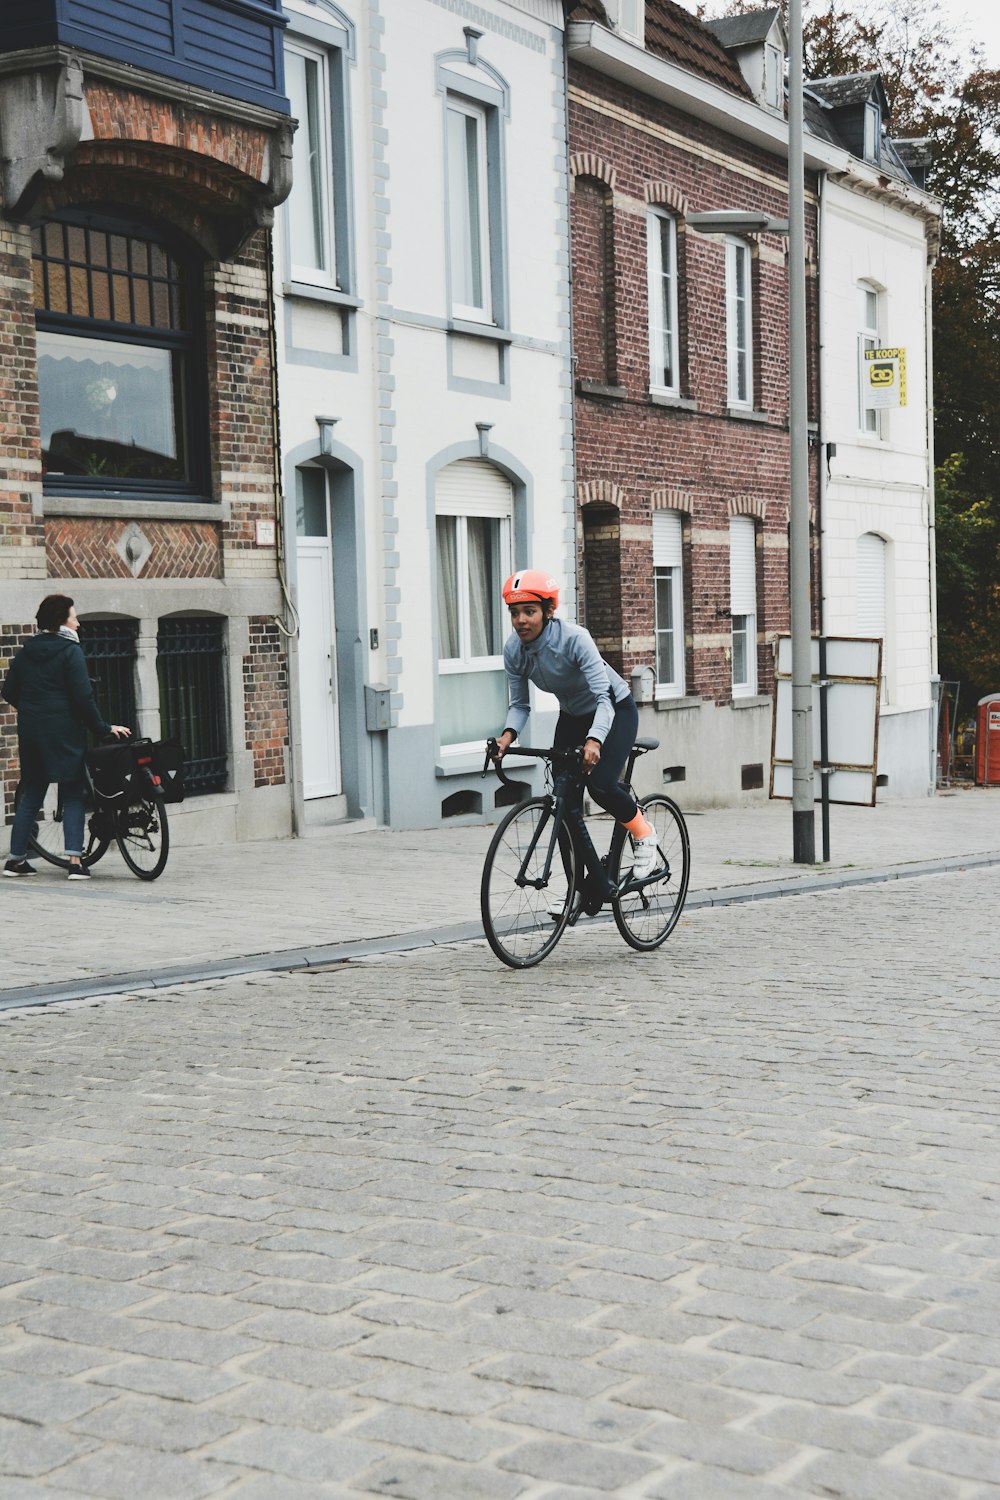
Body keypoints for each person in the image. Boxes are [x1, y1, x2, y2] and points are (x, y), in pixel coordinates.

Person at [491, 569, 660, 879]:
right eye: (515, 613)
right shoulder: (514, 650)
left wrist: (595, 740)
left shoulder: (574, 640)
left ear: (549, 611)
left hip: (614, 709)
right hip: (571, 717)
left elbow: (604, 700)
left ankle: (643, 832)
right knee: (563, 800)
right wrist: (507, 736)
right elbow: (519, 705)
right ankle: (577, 889)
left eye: (529, 611)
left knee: (601, 785)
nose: (521, 621)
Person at [2, 594, 130, 880]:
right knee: (73, 793)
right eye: (74, 616)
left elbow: (8, 691)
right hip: (64, 732)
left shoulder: (26, 651)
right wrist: (103, 728)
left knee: (32, 793)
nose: (78, 622)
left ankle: (15, 860)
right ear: (62, 621)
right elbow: (83, 698)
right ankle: (75, 861)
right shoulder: (70, 651)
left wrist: (36, 709)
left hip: (32, 731)